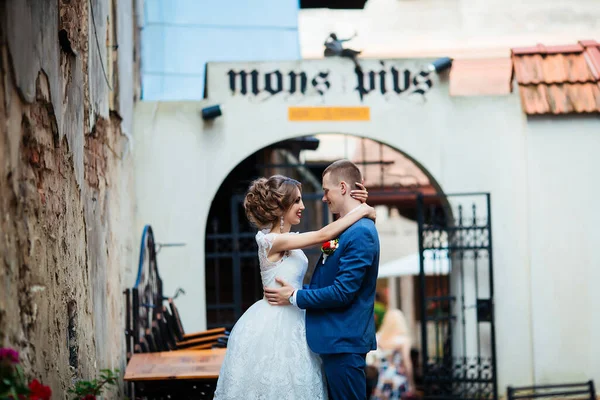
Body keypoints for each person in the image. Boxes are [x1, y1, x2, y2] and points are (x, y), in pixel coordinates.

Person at [213, 173, 375, 400]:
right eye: (297, 201)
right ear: (281, 206)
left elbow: (332, 245)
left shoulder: (291, 238)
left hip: (298, 318)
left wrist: (354, 209)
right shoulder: (271, 241)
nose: (303, 206)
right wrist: (366, 210)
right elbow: (324, 234)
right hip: (275, 324)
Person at [265, 160, 381, 400]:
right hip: (331, 342)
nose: (323, 198)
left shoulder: (360, 232)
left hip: (344, 343)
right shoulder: (344, 231)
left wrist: (295, 295)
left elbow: (341, 292)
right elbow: (326, 269)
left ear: (342, 187)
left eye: (326, 191)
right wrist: (365, 208)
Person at [369, 309, 416, 400]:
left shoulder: (378, 337)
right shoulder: (403, 340)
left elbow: (375, 360)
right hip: (398, 380)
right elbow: (407, 363)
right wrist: (411, 384)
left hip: (382, 379)